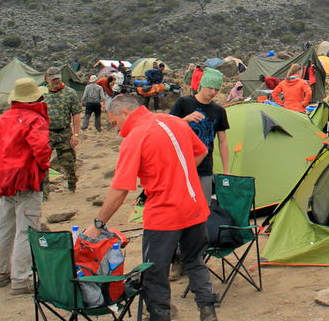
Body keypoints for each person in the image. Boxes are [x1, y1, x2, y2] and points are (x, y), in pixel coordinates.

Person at [84, 95, 219, 321]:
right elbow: (202, 152)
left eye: (114, 122)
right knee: (194, 261)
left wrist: (98, 224)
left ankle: (160, 315)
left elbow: (119, 190)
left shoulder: (136, 137)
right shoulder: (175, 121)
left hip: (164, 214)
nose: (115, 129)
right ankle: (208, 311)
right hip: (195, 207)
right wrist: (177, 173)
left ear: (125, 113)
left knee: (154, 271)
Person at [0, 78, 50, 295]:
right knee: (26, 229)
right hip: (25, 178)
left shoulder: (6, 117)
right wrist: (44, 166)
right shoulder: (34, 118)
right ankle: (21, 279)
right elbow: (41, 148)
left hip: (3, 178)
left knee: (5, 227)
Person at [169, 68, 229, 203]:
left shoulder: (219, 111)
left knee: (203, 206)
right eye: (210, 88)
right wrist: (186, 119)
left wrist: (226, 170)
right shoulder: (184, 103)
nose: (213, 92)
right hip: (181, 164)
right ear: (202, 85)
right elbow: (167, 129)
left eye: (216, 89)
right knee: (180, 204)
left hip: (205, 167)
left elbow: (223, 142)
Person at [44, 66, 82, 194]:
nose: (56, 81)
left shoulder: (70, 93)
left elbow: (76, 114)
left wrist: (75, 134)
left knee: (68, 162)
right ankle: (43, 191)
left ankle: (72, 185)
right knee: (42, 162)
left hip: (64, 132)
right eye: (53, 79)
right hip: (47, 133)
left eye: (58, 79)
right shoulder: (42, 94)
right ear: (47, 79)